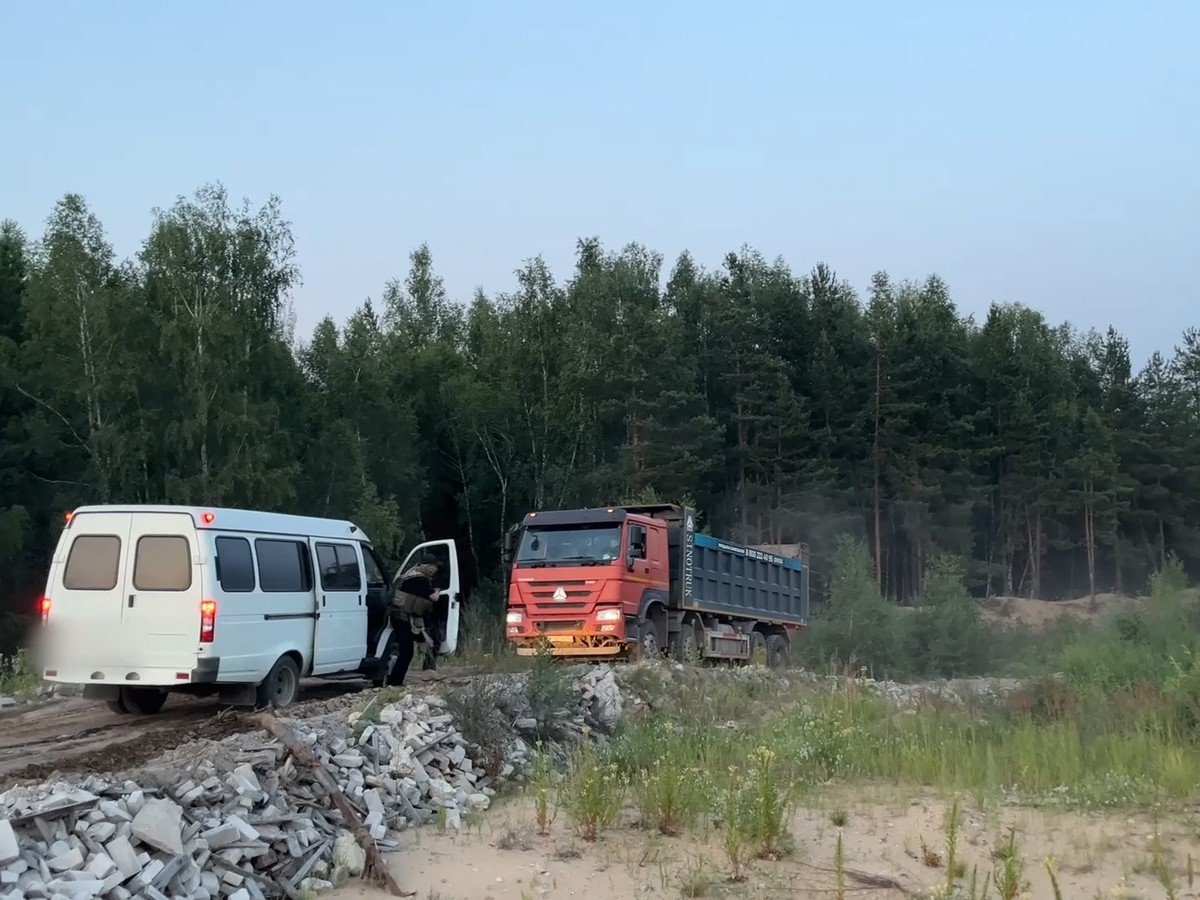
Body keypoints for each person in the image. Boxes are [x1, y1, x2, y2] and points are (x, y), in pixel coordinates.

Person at [386, 556, 441, 687]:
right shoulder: (420, 580)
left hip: (400, 616)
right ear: (427, 565)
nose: (435, 569)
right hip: (403, 618)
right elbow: (434, 598)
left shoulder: (408, 575)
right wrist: (439, 591)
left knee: (416, 646)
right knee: (407, 650)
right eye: (434, 566)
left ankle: (395, 679)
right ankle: (395, 682)